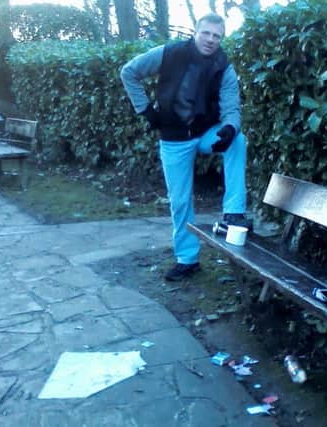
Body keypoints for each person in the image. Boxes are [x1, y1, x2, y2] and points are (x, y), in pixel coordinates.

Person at [120, 13, 249, 281]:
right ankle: (187, 259)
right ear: (196, 32)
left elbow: (232, 107)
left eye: (217, 36)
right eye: (207, 33)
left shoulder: (224, 66)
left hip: (204, 133)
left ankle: (234, 212)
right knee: (179, 201)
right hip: (174, 139)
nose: (211, 40)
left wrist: (229, 127)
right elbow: (129, 72)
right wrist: (145, 109)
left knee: (238, 140)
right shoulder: (169, 53)